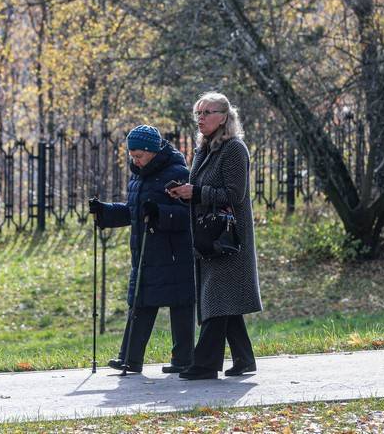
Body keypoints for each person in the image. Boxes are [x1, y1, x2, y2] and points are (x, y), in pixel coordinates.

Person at [168, 92, 262, 380]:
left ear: (224, 117)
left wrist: (195, 193)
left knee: (216, 300)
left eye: (208, 112)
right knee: (224, 301)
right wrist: (183, 193)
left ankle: (205, 364)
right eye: (199, 112)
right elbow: (201, 190)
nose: (201, 118)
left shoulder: (234, 149)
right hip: (208, 238)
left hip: (228, 238)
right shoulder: (204, 149)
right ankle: (244, 359)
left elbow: (235, 195)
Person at [88, 125, 195, 374]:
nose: (135, 160)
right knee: (140, 303)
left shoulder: (177, 172)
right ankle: (129, 358)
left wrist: (160, 213)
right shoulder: (139, 174)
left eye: (139, 155)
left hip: (173, 252)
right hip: (145, 252)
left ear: (153, 151)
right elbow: (134, 211)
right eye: (132, 156)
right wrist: (105, 212)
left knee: (181, 305)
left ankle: (184, 359)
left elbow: (187, 214)